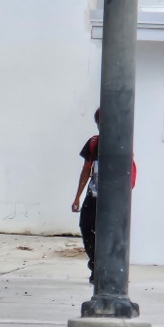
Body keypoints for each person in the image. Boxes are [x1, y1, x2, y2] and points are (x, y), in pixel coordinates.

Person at [72, 108, 100, 283]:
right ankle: (95, 265)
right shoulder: (94, 143)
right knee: (86, 227)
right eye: (99, 121)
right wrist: (77, 197)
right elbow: (86, 169)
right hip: (94, 194)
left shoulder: (121, 141)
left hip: (112, 199)